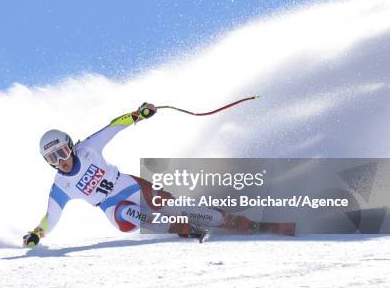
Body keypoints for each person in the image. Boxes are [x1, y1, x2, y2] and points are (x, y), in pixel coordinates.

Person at [23, 103, 268, 247]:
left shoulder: (88, 148)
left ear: (71, 146)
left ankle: (231, 221)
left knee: (173, 205)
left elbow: (114, 126)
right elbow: (50, 218)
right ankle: (182, 228)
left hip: (132, 186)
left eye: (63, 152)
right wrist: (37, 233)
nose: (61, 161)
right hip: (115, 210)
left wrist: (138, 114)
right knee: (129, 212)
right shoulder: (61, 185)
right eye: (53, 158)